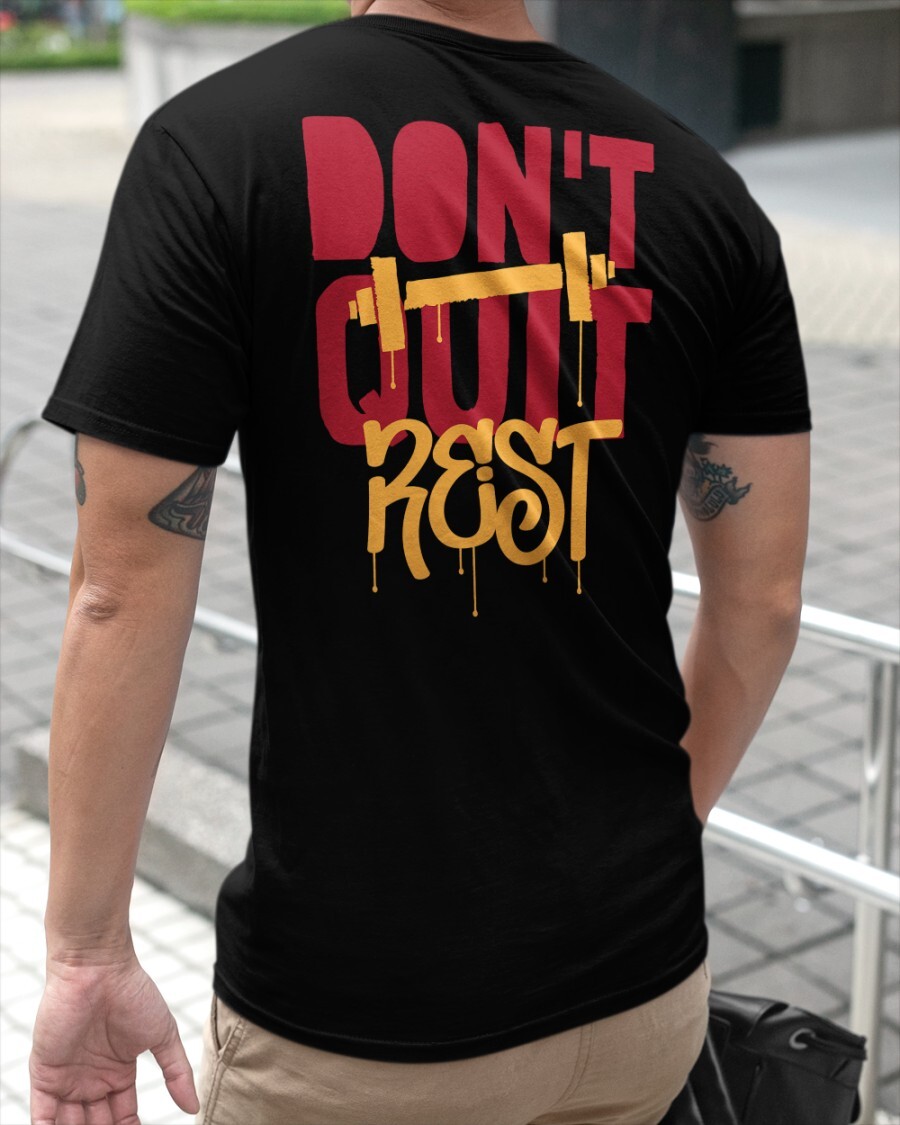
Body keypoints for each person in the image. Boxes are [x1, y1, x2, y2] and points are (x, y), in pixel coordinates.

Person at [29, 0, 811, 1121]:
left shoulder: (220, 147)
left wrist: (86, 953)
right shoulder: (701, 187)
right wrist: (646, 839)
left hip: (357, 1022)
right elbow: (764, 604)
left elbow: (119, 589)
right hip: (638, 991)